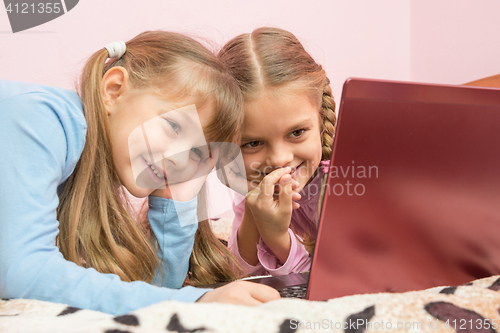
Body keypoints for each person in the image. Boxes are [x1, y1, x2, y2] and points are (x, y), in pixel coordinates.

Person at [0, 30, 279, 316]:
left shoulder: (91, 167)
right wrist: (195, 302)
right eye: (174, 126)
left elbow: (157, 286)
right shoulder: (40, 118)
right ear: (113, 90)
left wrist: (180, 196)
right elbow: (20, 270)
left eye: (196, 152)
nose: (177, 159)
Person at [217, 27, 336, 276]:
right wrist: (253, 215)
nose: (280, 159)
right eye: (252, 143)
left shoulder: (340, 185)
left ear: (321, 118)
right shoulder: (255, 185)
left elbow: (333, 280)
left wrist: (277, 238)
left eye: (296, 133)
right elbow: (239, 275)